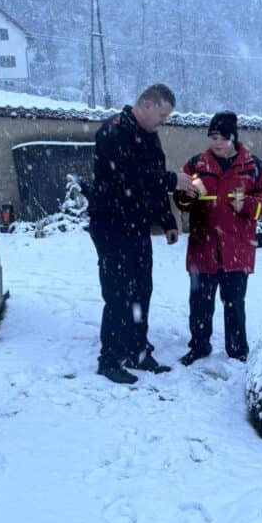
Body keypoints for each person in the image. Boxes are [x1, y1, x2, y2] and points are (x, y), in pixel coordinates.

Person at [88, 83, 194, 384]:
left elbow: (154, 183)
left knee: (141, 289)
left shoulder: (149, 136)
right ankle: (110, 359)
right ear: (146, 104)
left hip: (136, 226)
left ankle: (137, 350)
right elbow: (128, 179)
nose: (164, 121)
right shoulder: (113, 132)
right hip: (110, 224)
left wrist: (168, 220)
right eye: (162, 115)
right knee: (119, 292)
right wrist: (172, 180)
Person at [174, 111, 262, 365]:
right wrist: (187, 197)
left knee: (234, 304)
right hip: (203, 246)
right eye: (213, 137)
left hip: (236, 248)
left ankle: (237, 350)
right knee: (200, 303)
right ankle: (199, 346)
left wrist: (249, 205)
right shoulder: (196, 165)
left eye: (222, 138)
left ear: (233, 138)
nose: (217, 143)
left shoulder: (253, 166)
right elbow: (181, 198)